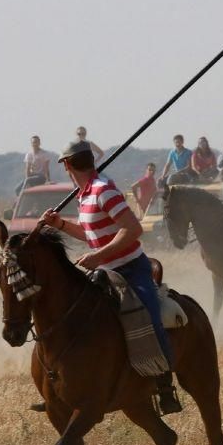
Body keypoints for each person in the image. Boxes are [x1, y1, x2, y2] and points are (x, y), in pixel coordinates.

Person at [41, 140, 182, 414]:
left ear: (67, 165)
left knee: (149, 318)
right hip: (104, 273)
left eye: (65, 166)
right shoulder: (85, 194)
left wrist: (96, 257)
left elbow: (133, 229)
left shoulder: (104, 191)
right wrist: (59, 224)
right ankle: (68, 388)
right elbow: (90, 234)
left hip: (131, 269)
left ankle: (164, 386)